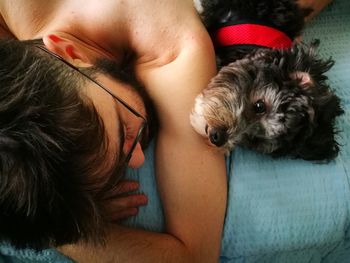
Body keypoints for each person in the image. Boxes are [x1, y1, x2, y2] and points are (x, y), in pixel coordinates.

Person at [0, 0, 332, 262]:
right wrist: (58, 215)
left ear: (69, 53)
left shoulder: (175, 56)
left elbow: (194, 255)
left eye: (123, 124)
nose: (141, 156)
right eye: (118, 166)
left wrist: (70, 236)